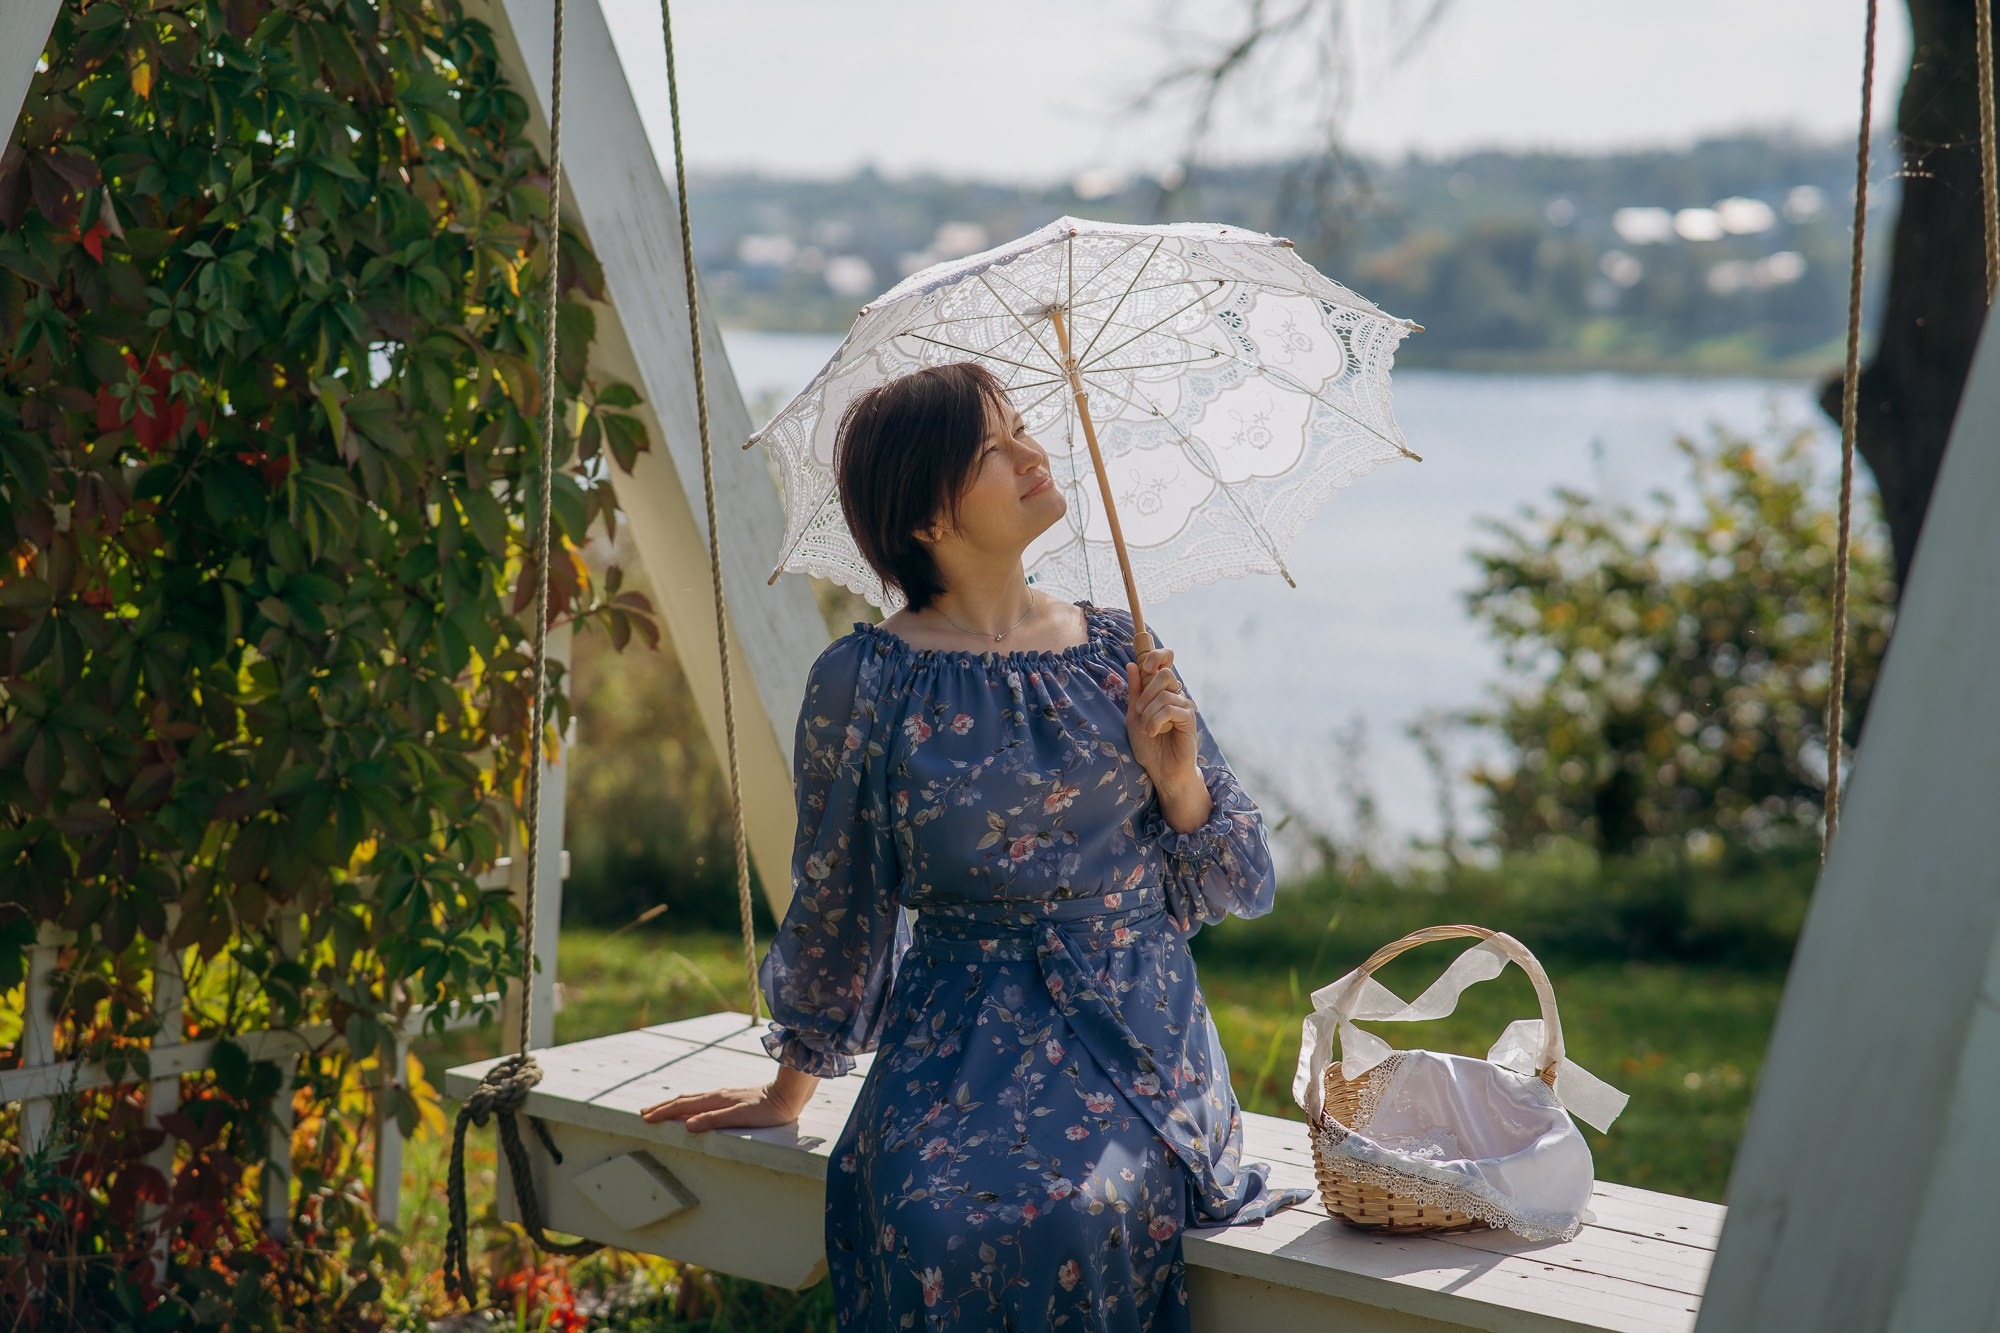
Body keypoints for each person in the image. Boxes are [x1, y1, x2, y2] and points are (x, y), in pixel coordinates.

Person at [639, 361, 1311, 1331]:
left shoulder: (1120, 649)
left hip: (1135, 1029)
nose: (1033, 453)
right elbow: (839, 897)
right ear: (926, 516)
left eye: (1023, 428)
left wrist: (1177, 779)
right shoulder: (865, 682)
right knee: (925, 1209)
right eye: (993, 448)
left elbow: (1237, 879)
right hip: (955, 1034)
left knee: (1073, 1212)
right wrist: (790, 1090)